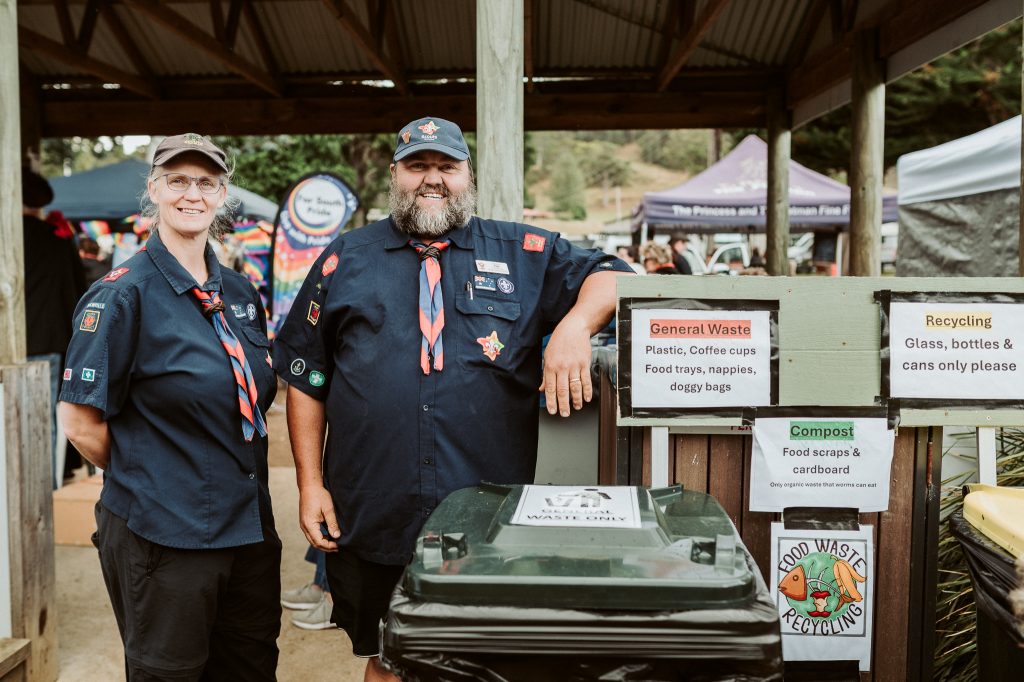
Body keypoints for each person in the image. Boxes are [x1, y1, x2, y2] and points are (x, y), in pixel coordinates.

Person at [272, 116, 633, 681]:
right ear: (395, 174)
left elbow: (612, 274)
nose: (432, 179)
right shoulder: (346, 258)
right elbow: (306, 377)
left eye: (447, 167)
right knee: (387, 659)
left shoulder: (524, 252)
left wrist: (574, 328)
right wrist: (310, 484)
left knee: (483, 664)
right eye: (418, 166)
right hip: (375, 508)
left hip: (488, 520)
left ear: (469, 175)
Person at [58, 134, 281, 681]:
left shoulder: (238, 291)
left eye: (206, 183)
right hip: (164, 534)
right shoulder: (121, 294)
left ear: (222, 195)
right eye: (178, 180)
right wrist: (154, 470)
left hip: (248, 529)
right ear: (154, 189)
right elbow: (80, 423)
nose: (192, 194)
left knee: (250, 668)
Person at [22, 167, 87, 487]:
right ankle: (44, 483)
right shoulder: (57, 239)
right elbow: (77, 291)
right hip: (47, 340)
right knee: (44, 418)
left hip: (16, 343)